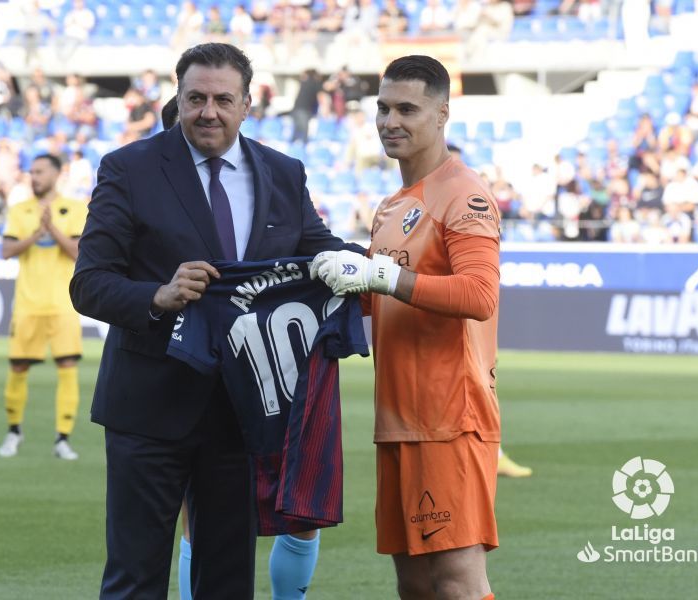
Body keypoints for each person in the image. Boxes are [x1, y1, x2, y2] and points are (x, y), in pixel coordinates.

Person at [69, 43, 353, 599]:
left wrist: (380, 260)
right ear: (177, 98)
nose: (208, 111)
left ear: (248, 104)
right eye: (196, 98)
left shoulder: (283, 173)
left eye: (224, 99)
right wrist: (159, 294)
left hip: (240, 412)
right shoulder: (129, 168)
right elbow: (89, 282)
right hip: (148, 408)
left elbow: (324, 255)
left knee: (227, 582)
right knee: (134, 579)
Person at [310, 55, 500, 600]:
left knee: (456, 582)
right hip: (398, 417)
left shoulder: (465, 192)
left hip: (449, 417)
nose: (391, 120)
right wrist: (346, 281)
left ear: (442, 114)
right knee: (415, 583)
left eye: (408, 109)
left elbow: (478, 295)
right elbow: (383, 296)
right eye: (384, 108)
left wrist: (383, 276)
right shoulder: (392, 205)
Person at [157, 94, 328, 600]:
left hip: (274, 375)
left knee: (300, 512)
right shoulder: (152, 198)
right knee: (199, 516)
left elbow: (317, 247)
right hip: (192, 379)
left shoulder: (270, 181)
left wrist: (363, 266)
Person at [0, 154, 88, 461]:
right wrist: (37, 233)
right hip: (27, 304)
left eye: (39, 172)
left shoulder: (75, 208)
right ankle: (13, 431)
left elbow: (79, 252)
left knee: (67, 367)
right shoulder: (19, 210)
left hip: (63, 303)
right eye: (31, 172)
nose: (33, 177)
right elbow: (6, 250)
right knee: (18, 367)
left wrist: (53, 229)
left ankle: (63, 438)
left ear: (56, 174)